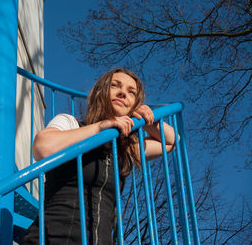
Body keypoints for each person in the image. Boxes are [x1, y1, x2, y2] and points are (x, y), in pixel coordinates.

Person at [20, 67, 177, 245]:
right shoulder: (71, 123)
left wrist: (148, 120)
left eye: (131, 92)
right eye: (115, 85)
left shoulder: (126, 149)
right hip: (51, 238)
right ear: (100, 93)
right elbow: (42, 147)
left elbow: (172, 141)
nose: (123, 93)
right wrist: (100, 127)